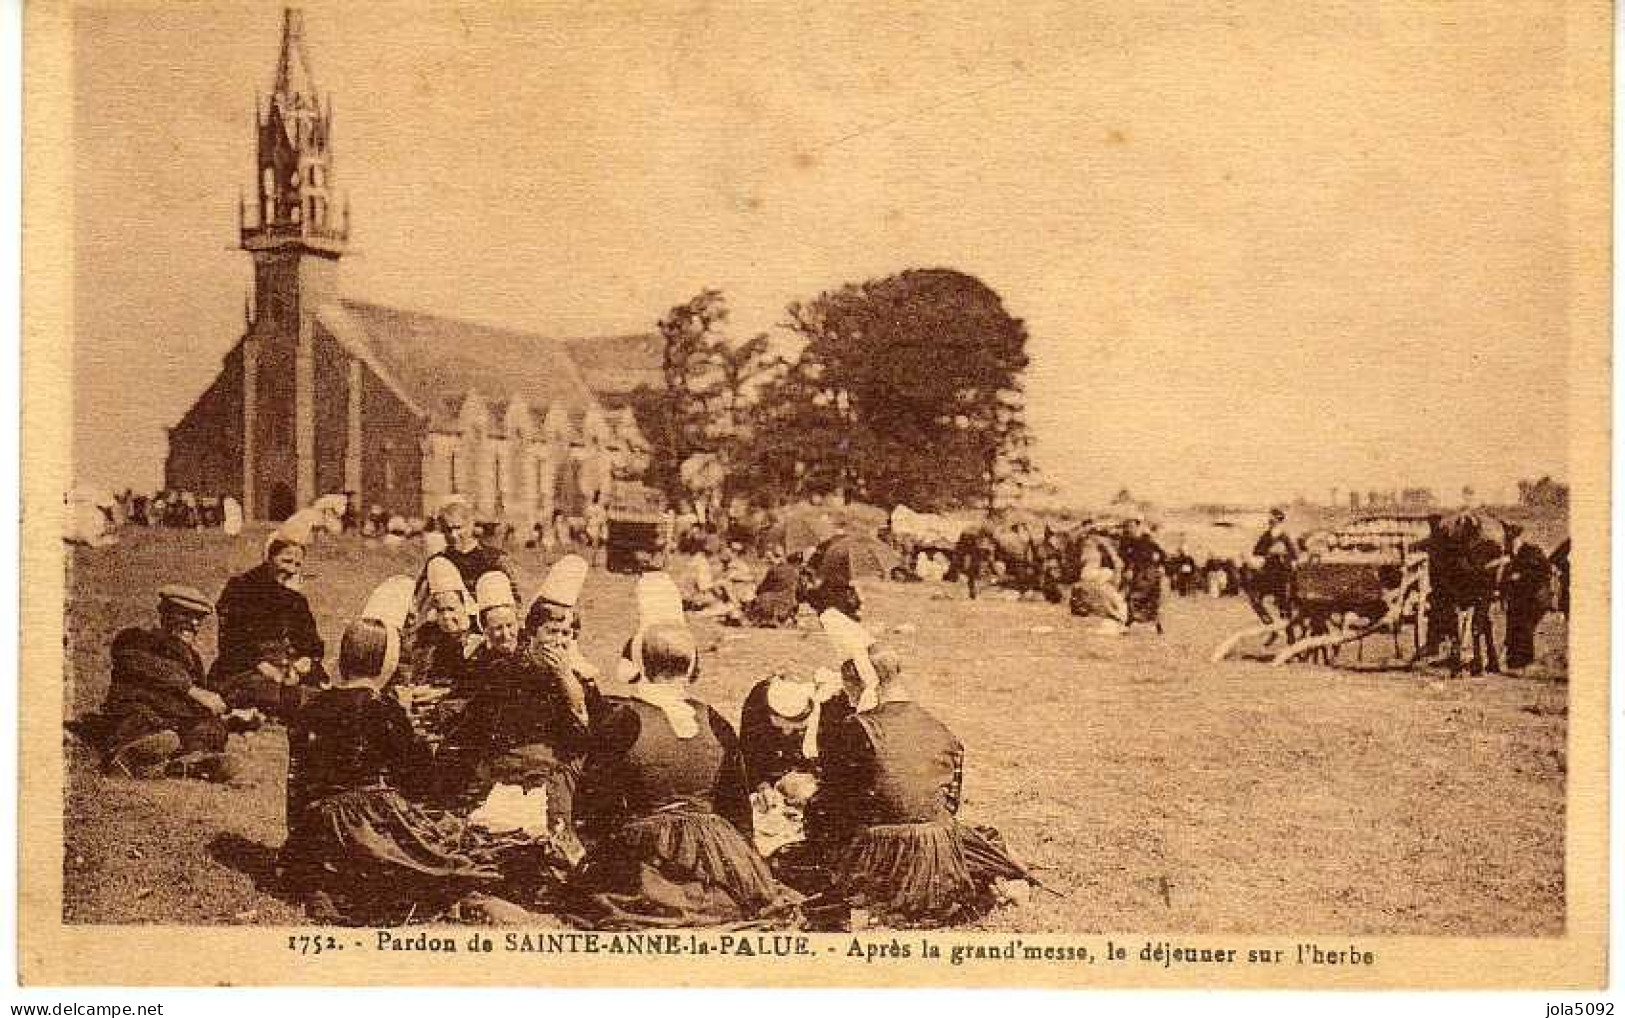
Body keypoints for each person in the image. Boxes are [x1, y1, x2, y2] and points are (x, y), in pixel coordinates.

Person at [566, 594, 801, 929]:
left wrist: (603, 855)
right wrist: (743, 862)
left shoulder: (623, 721)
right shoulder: (715, 721)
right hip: (715, 848)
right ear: (691, 669)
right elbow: (737, 809)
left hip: (647, 851)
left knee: (611, 894)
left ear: (642, 666)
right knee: (727, 899)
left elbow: (591, 810)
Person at [278, 576, 501, 924]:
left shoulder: (311, 705)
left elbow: (298, 781)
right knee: (449, 852)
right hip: (363, 823)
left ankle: (326, 885)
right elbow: (422, 780)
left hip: (312, 829)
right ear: (386, 663)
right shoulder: (381, 708)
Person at [792, 611, 1031, 928]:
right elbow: (949, 804)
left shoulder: (857, 729)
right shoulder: (939, 727)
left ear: (860, 685)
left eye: (847, 689)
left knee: (792, 862)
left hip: (884, 854)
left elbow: (834, 806)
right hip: (939, 852)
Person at [83, 585, 235, 781]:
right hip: (140, 713)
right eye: (185, 615)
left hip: (175, 721)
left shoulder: (193, 658)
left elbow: (203, 699)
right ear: (164, 613)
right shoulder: (135, 638)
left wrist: (230, 714)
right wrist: (191, 690)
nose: (193, 623)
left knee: (210, 727)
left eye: (199, 618)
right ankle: (126, 757)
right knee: (142, 720)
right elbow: (143, 664)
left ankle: (190, 761)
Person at [211, 513, 327, 688]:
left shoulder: (296, 600)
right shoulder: (241, 588)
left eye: (297, 564)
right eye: (286, 561)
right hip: (245, 668)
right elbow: (232, 641)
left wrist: (306, 660)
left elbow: (311, 642)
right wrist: (265, 667)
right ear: (269, 558)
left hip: (288, 670)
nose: (292, 570)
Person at [433, 499, 519, 602]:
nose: (453, 535)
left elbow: (515, 599)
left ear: (471, 525)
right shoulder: (440, 561)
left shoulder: (495, 559)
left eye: (458, 528)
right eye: (448, 530)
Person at [1501, 524, 1553, 673]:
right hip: (1517, 599)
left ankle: (1523, 664)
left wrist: (1522, 576)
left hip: (1534, 598)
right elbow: (1506, 578)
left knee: (1524, 628)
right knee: (1514, 627)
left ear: (1517, 539)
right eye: (1507, 540)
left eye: (1510, 540)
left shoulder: (1531, 551)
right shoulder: (1510, 556)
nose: (1507, 543)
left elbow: (1544, 571)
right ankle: (1515, 664)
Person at [1249, 508, 1297, 629]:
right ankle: (1269, 622)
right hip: (1268, 570)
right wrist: (1267, 553)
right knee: (1254, 597)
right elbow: (1256, 551)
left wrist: (1282, 554)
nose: (1270, 522)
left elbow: (1294, 555)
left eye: (1272, 520)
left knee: (1284, 602)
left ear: (1278, 520)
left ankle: (1287, 628)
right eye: (1269, 520)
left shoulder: (1284, 536)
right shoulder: (1266, 535)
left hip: (1281, 571)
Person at [1068, 537, 1128, 633]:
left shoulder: (1104, 573)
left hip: (1105, 603)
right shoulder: (1103, 572)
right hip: (1098, 588)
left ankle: (1116, 620)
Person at [1119, 519, 1166, 632]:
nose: (1130, 529)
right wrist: (1128, 568)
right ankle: (1129, 623)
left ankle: (1156, 624)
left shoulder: (1147, 540)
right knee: (1132, 597)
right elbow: (1124, 556)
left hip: (1149, 572)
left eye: (1132, 526)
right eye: (1128, 527)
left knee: (1150, 598)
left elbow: (1161, 553)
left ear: (1138, 526)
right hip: (1136, 573)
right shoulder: (1126, 541)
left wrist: (1160, 565)